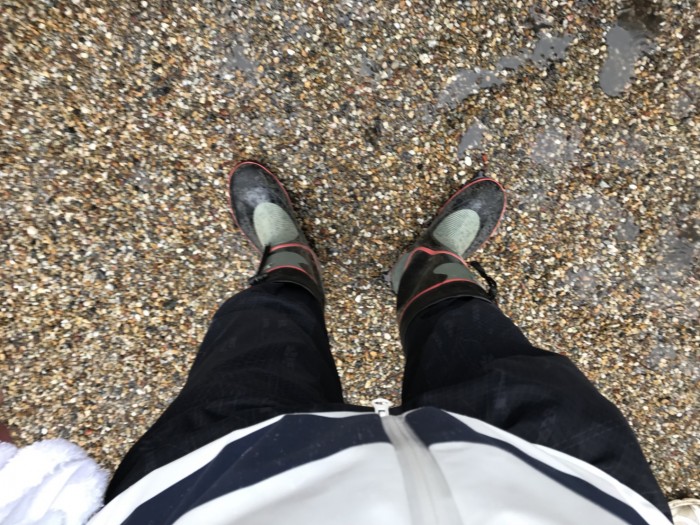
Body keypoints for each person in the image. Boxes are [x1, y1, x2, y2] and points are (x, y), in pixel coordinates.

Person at [90, 161, 673, 524]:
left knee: (256, 348)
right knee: (489, 354)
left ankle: (288, 266)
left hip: (207, 491)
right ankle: (430, 270)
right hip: (573, 492)